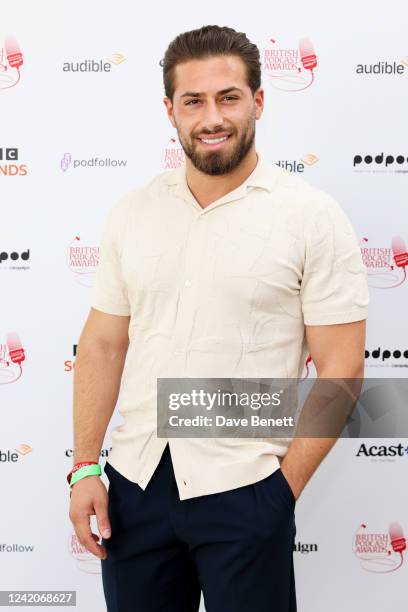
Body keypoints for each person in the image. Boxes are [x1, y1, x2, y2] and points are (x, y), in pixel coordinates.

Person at [68, 24, 369, 612]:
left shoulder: (311, 217)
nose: (213, 117)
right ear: (170, 111)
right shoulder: (133, 212)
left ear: (258, 100)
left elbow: (341, 368)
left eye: (229, 97)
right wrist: (83, 469)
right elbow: (103, 344)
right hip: (135, 487)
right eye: (194, 101)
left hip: (246, 488)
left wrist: (282, 491)